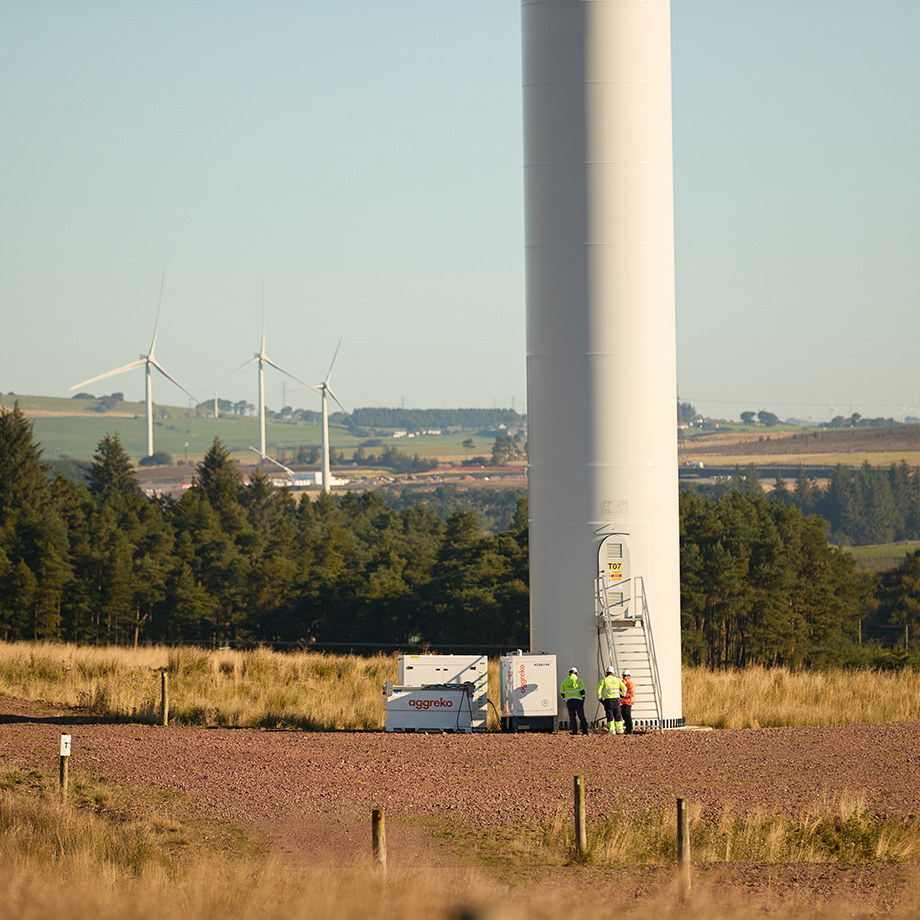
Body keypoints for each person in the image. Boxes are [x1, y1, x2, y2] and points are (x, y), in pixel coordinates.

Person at [597, 665, 627, 735]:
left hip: (608, 701)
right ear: (613, 673)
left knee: (610, 716)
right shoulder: (617, 680)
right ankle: (620, 730)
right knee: (618, 716)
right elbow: (624, 688)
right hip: (616, 700)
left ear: (606, 673)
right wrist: (622, 696)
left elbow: (598, 692)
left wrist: (601, 700)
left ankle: (612, 731)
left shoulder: (603, 681)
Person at [560, 667, 589, 735]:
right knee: (581, 716)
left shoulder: (564, 681)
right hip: (578, 700)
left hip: (569, 701)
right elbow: (582, 691)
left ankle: (574, 731)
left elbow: (562, 693)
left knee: (572, 717)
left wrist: (565, 700)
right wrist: (583, 698)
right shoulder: (578, 680)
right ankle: (585, 731)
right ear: (576, 673)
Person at [620, 669, 635, 735]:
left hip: (628, 703)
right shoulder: (621, 683)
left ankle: (630, 730)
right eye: (623, 676)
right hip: (622, 703)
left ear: (629, 676)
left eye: (625, 676)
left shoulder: (630, 684)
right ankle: (627, 730)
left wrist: (622, 694)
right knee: (624, 717)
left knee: (628, 717)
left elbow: (631, 694)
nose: (624, 677)